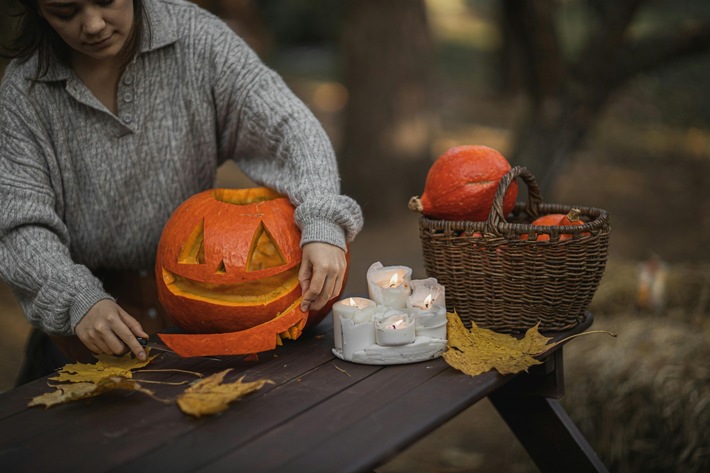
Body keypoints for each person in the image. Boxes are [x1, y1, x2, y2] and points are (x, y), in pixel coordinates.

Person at [0, 0, 363, 382]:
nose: (91, 24)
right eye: (65, 11)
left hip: (200, 320)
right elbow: (19, 222)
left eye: (106, 0)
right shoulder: (25, 91)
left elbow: (289, 125)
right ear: (38, 9)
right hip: (83, 331)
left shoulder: (196, 39)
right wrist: (76, 298)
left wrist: (322, 215)